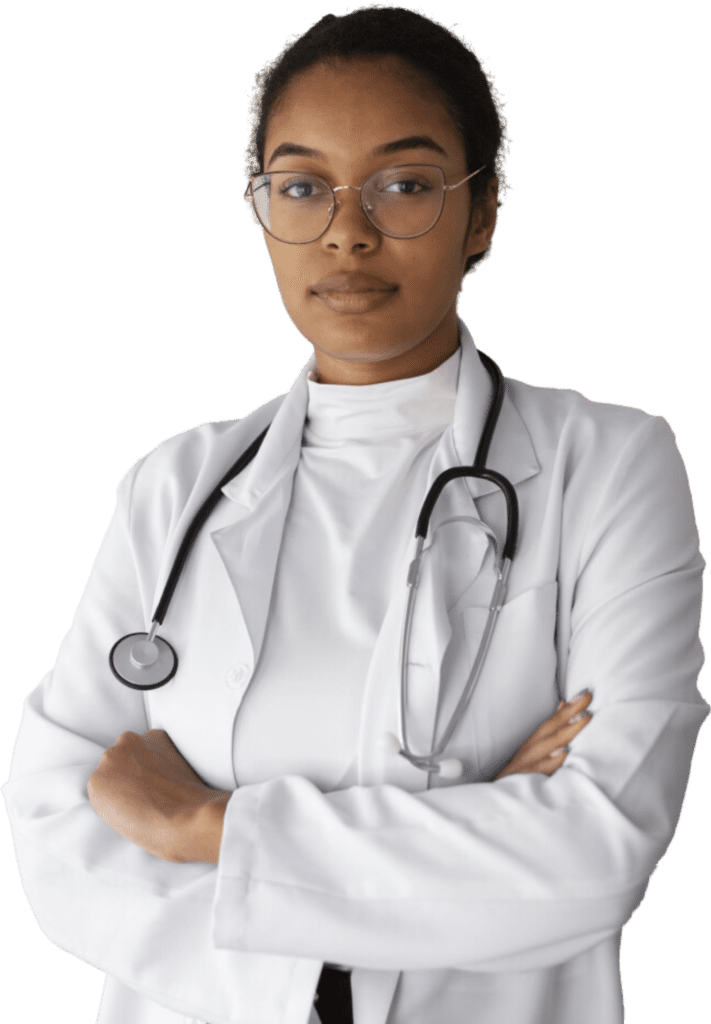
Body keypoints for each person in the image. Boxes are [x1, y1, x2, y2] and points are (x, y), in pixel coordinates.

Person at [2, 6, 707, 1024]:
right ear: (261, 210)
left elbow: (594, 850)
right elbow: (60, 829)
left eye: (407, 185)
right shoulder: (176, 485)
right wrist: (450, 847)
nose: (347, 229)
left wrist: (205, 822)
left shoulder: (609, 465)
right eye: (300, 187)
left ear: (487, 212)